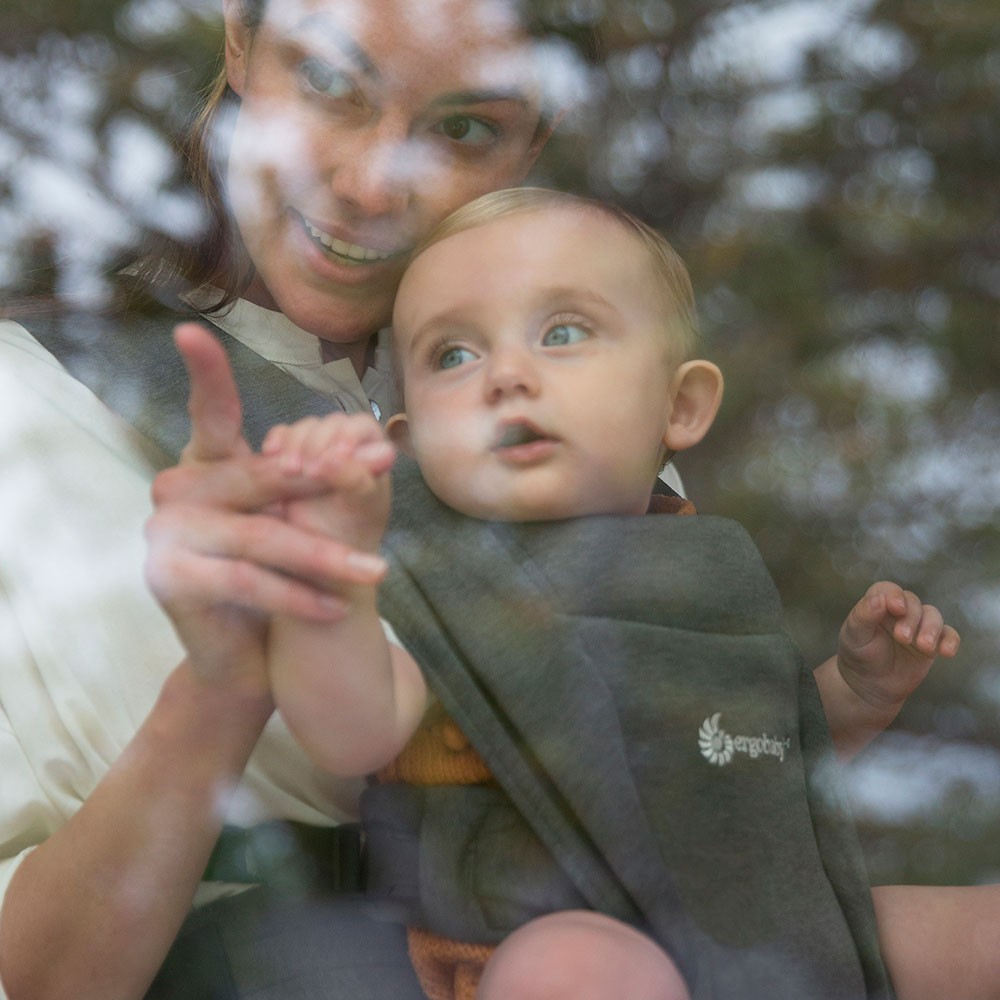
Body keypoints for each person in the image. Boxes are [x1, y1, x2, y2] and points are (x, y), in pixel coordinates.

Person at [147, 188, 990, 1000]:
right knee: (575, 973)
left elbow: (737, 760)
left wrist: (853, 694)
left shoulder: (701, 569)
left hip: (754, 937)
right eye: (453, 354)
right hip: (544, 944)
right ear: (407, 448)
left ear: (681, 405)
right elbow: (351, 728)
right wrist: (331, 581)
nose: (506, 375)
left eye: (561, 331)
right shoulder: (433, 580)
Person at [0, 3, 588, 999]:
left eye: (464, 128)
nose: (367, 185)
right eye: (328, 85)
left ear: (534, 141)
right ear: (238, 36)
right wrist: (219, 688)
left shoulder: (587, 417)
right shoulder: (26, 408)